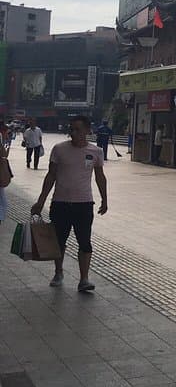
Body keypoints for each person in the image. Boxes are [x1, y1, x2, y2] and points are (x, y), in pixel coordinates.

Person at [30, 115, 108, 292]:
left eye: (78, 129)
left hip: (84, 204)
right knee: (59, 241)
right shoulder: (59, 149)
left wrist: (105, 199)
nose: (73, 133)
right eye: (71, 129)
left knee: (85, 242)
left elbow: (100, 177)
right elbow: (51, 176)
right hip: (60, 203)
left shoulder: (96, 152)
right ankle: (58, 273)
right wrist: (41, 201)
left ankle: (84, 279)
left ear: (88, 131)